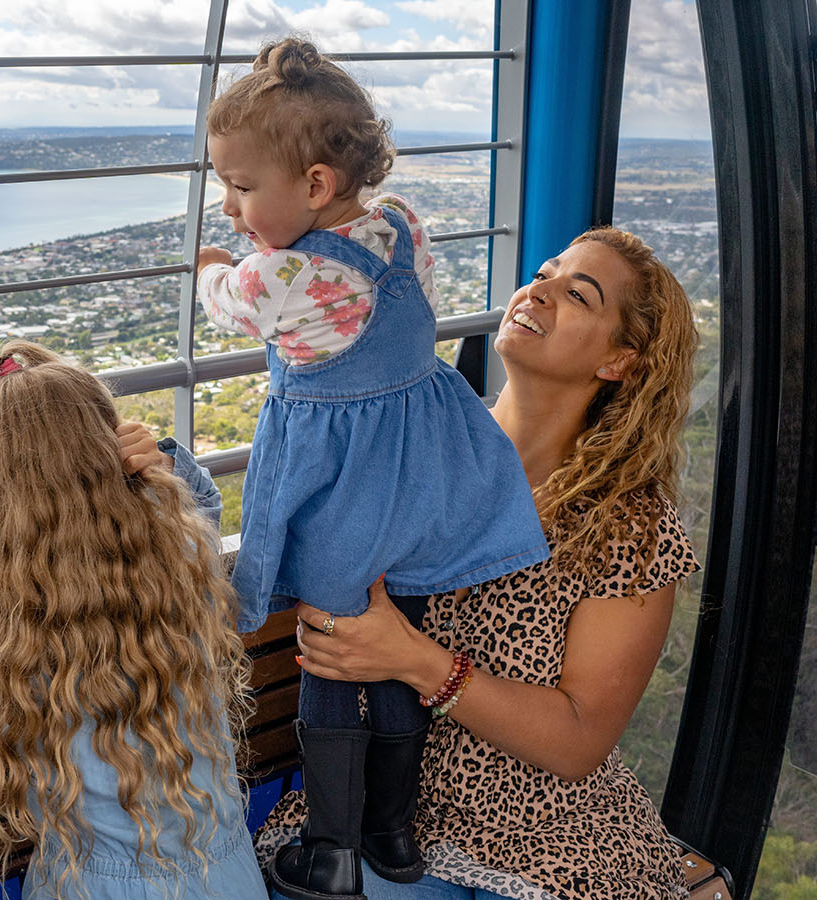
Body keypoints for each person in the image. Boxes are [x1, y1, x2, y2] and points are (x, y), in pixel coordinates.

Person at [195, 38, 550, 900]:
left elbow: (225, 293)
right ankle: (395, 836)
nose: (231, 207)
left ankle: (332, 846)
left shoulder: (289, 276)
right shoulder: (398, 228)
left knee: (330, 650)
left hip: (343, 492)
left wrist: (217, 267)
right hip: (425, 479)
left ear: (315, 186)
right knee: (400, 648)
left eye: (241, 188)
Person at [272, 227, 701, 900]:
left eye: (577, 294)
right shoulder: (417, 449)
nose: (539, 291)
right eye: (544, 273)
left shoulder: (628, 526)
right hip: (395, 815)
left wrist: (415, 661)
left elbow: (578, 741)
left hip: (550, 838)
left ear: (620, 359)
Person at [0, 340, 268, 900]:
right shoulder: (180, 565)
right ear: (111, 444)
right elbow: (203, 510)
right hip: (223, 874)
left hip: (84, 884)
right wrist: (162, 462)